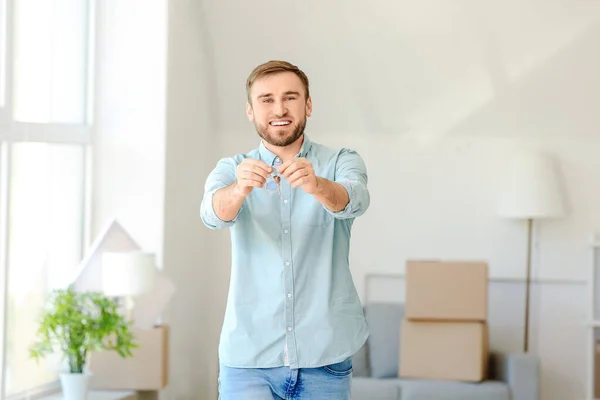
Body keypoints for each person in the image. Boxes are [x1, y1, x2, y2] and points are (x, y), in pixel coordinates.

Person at [200, 60, 370, 399]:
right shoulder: (232, 168)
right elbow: (211, 213)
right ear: (250, 111)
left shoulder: (340, 161)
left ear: (308, 105)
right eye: (266, 100)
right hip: (248, 359)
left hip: (326, 358)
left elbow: (355, 199)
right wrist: (238, 190)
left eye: (290, 98)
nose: (279, 109)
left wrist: (317, 185)